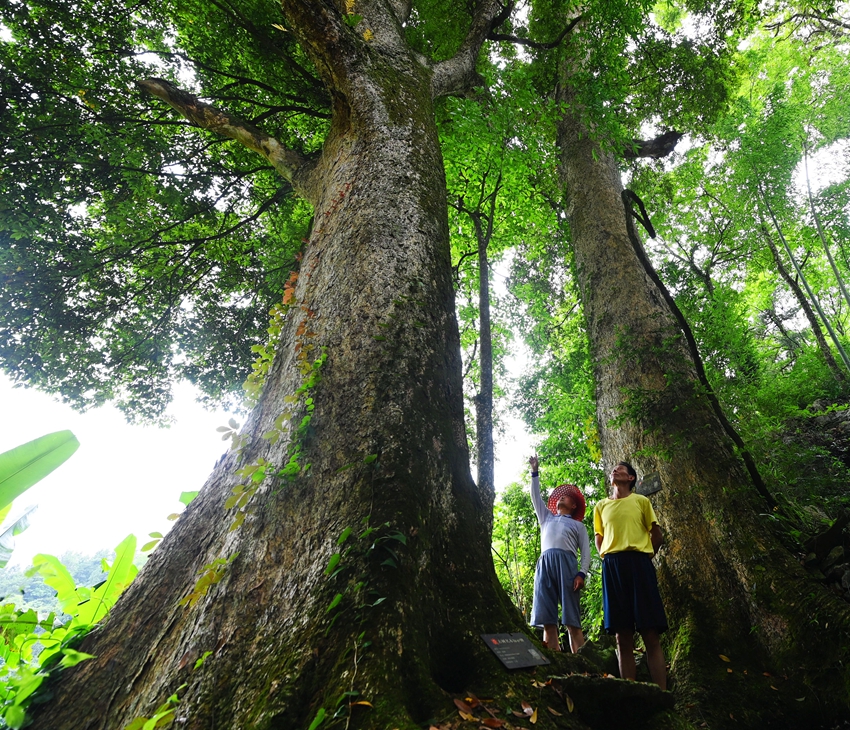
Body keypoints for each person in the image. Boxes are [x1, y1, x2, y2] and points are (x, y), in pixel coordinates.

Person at [593, 461, 667, 690]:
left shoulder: (641, 501)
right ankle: (630, 694)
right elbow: (599, 538)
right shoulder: (601, 506)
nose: (615, 471)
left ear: (631, 478)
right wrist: (609, 559)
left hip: (639, 565)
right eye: (613, 469)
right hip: (612, 567)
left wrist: (644, 559)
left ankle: (662, 694)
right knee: (621, 636)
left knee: (650, 631)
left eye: (621, 469)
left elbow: (657, 535)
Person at [528, 455, 590, 653]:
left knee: (572, 619)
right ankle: (554, 663)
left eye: (566, 497)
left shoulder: (577, 525)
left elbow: (586, 552)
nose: (561, 498)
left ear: (574, 506)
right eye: (560, 497)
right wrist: (535, 472)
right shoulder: (546, 518)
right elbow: (535, 497)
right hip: (545, 563)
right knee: (548, 620)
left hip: (567, 564)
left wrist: (581, 573)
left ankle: (582, 664)